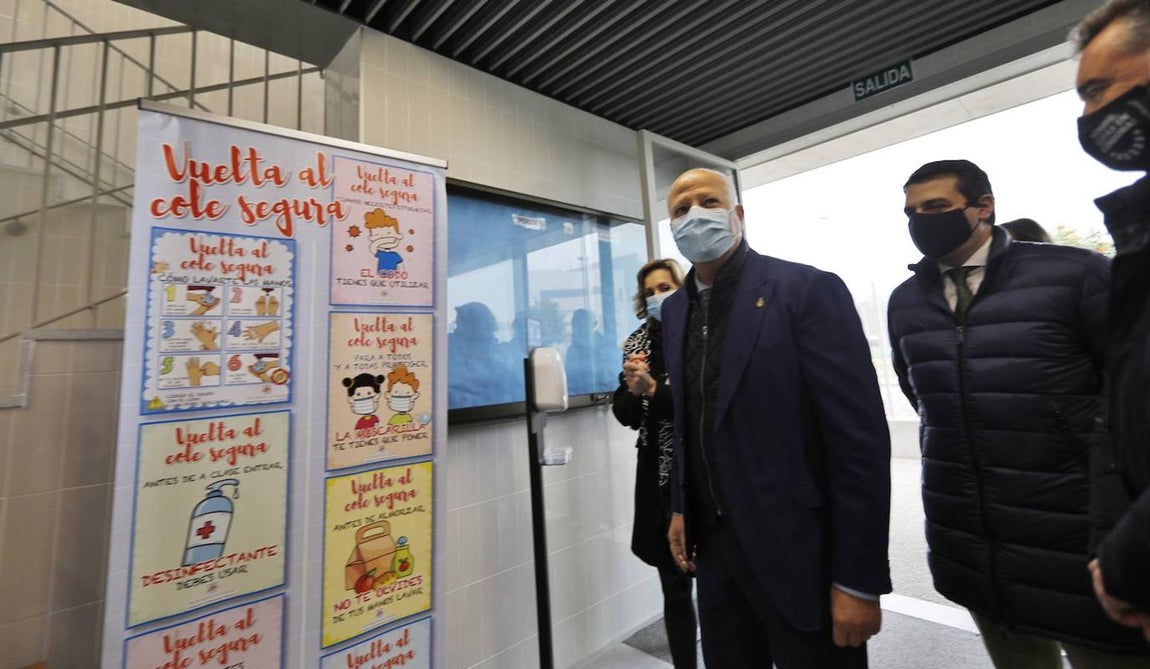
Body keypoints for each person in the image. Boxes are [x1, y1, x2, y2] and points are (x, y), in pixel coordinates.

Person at [887, 159, 1149, 666]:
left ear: (984, 207)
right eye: (912, 212)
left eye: (937, 206)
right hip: (974, 540)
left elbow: (1129, 400)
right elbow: (924, 399)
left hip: (1076, 536)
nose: (922, 220)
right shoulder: (905, 302)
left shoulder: (1073, 274)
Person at [661, 168, 891, 668]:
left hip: (801, 556)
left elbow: (858, 444)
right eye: (681, 209)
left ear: (737, 215)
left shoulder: (806, 290)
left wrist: (858, 577)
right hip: (716, 556)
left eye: (708, 201)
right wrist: (682, 504)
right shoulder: (676, 310)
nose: (694, 215)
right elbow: (691, 421)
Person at [1073, 0, 1150, 642]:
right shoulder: (1136, 242)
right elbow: (1117, 412)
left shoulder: (1077, 274)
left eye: (1100, 89)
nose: (1092, 117)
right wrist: (1108, 542)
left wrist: (1127, 559)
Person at [612, 257, 696, 669]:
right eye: (649, 292)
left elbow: (701, 407)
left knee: (724, 584)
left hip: (700, 471)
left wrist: (655, 392)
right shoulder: (636, 344)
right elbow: (626, 416)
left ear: (682, 288)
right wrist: (634, 390)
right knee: (673, 585)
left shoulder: (701, 332)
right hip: (657, 477)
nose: (657, 296)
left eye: (665, 287)